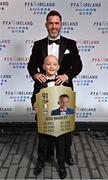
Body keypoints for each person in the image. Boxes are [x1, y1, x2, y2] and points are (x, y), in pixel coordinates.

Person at [28, 10, 83, 179]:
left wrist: (67, 75)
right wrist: (36, 74)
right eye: (50, 23)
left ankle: (65, 157)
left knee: (64, 130)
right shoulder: (38, 45)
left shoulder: (70, 44)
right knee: (44, 130)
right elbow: (31, 65)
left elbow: (78, 65)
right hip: (44, 90)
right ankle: (43, 159)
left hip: (63, 90)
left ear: (61, 25)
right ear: (46, 25)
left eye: (56, 23)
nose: (53, 26)